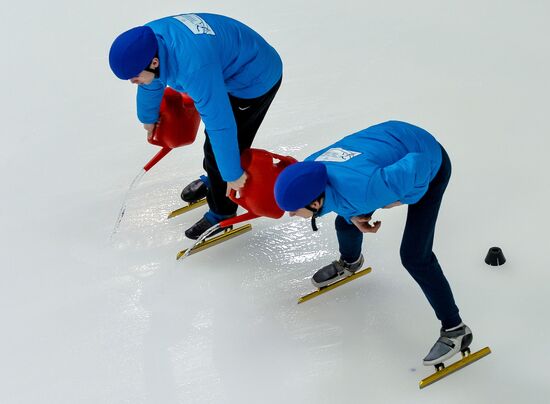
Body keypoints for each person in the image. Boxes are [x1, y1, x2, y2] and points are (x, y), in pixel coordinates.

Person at [274, 120, 472, 365]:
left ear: (315, 203)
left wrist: (401, 198)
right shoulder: (312, 168)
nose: (292, 215)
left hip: (429, 162)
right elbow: (343, 194)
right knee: (344, 222)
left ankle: (456, 330)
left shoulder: (367, 189)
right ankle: (351, 262)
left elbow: (418, 165)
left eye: (293, 210)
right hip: (390, 141)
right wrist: (354, 215)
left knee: (414, 256)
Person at [109, 13, 282, 239]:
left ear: (153, 62)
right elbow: (152, 81)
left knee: (223, 145)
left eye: (134, 77)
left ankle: (222, 213)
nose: (133, 82)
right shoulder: (151, 41)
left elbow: (221, 124)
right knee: (217, 148)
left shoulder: (193, 67)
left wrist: (231, 172)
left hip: (254, 80)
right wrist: (148, 116)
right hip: (225, 68)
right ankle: (215, 178)